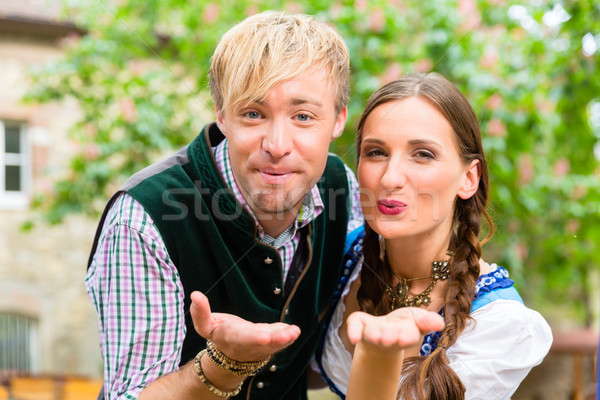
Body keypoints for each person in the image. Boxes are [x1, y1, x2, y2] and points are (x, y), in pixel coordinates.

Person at [85, 11, 363, 400]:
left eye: (303, 116)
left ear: (337, 120)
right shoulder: (143, 219)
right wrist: (224, 364)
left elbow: (324, 363)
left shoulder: (341, 186)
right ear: (222, 116)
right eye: (253, 113)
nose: (277, 144)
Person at [315, 73, 553, 399]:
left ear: (468, 178)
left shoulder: (500, 323)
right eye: (376, 152)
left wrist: (378, 357)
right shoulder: (342, 255)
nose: (391, 177)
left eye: (423, 154)